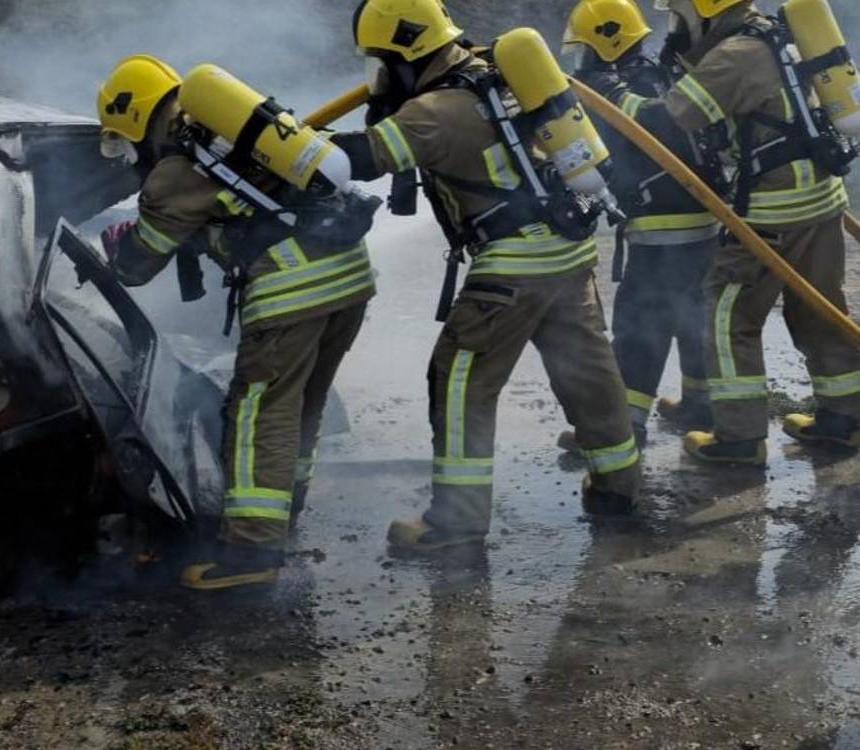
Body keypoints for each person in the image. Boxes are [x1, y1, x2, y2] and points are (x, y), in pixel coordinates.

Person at [331, 0, 641, 554]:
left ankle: (455, 524)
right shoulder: (495, 76)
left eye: (381, 63)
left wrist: (272, 141)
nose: (377, 76)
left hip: (513, 265)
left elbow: (359, 160)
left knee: (459, 382)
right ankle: (618, 488)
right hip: (567, 252)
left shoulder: (434, 110)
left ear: (404, 55)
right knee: (588, 375)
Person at [95, 55, 377, 588]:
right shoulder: (238, 135)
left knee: (257, 413)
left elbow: (136, 265)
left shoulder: (174, 172)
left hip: (291, 291)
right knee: (302, 405)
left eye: (122, 143)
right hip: (351, 280)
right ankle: (282, 515)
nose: (128, 157)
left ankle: (251, 553)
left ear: (132, 122)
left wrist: (120, 244)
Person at [641, 0, 860, 465]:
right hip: (822, 199)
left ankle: (739, 439)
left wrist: (637, 98)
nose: (676, 26)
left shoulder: (735, 53)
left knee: (726, 317)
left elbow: (681, 113)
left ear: (705, 10)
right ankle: (845, 419)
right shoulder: (780, 34)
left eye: (679, 17)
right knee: (819, 307)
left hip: (774, 210)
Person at [560, 0, 723, 441]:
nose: (581, 62)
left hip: (662, 229)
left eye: (584, 51)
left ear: (604, 44)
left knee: (640, 324)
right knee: (692, 314)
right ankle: (699, 405)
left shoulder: (618, 90)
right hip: (706, 221)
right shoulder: (665, 71)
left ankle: (623, 426)